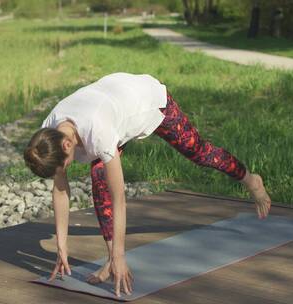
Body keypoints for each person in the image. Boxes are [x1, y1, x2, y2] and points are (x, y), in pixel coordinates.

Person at [23, 72, 272, 297]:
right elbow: (60, 188)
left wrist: (121, 255)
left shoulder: (97, 132)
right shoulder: (48, 134)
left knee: (200, 153)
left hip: (149, 100)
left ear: (67, 145)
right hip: (115, 102)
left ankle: (252, 180)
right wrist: (61, 247)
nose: (64, 170)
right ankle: (110, 260)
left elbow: (118, 197)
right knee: (99, 174)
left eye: (64, 165)